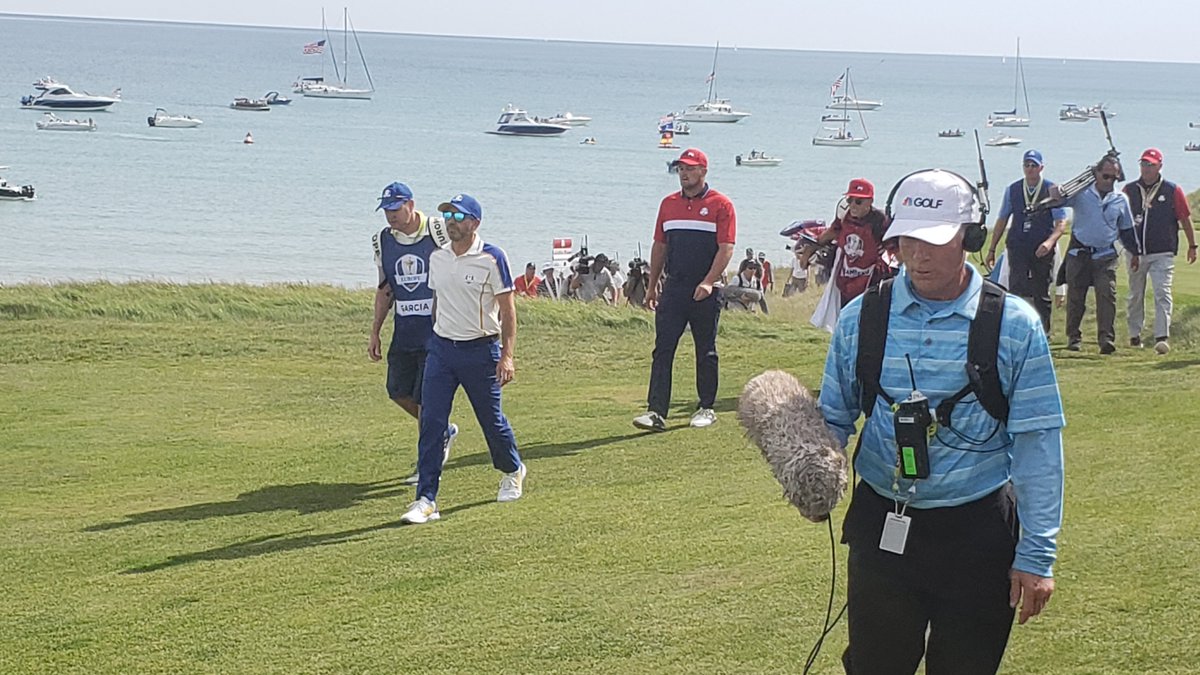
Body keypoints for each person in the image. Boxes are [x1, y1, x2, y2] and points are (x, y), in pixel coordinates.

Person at [819, 169, 1064, 675]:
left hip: (978, 535)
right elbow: (833, 418)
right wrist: (815, 478)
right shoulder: (861, 318)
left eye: (933, 240)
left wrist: (1037, 555)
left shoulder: (1016, 325)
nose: (918, 254)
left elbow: (1038, 445)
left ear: (969, 238)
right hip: (882, 529)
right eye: (907, 239)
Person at [400, 193, 525, 525]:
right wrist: (435, 338)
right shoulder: (437, 257)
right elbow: (439, 300)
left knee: (491, 422)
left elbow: (509, 313)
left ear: (474, 223)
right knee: (431, 423)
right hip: (441, 350)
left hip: (481, 351)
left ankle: (512, 469)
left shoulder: (492, 258)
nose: (451, 223)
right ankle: (426, 499)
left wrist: (507, 356)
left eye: (458, 217)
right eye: (448, 217)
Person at [633, 148, 736, 432]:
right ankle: (656, 411)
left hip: (706, 288)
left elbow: (726, 248)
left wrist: (708, 280)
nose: (684, 173)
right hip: (674, 287)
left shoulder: (721, 205)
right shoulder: (668, 204)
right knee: (663, 349)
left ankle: (706, 406)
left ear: (703, 171)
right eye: (681, 169)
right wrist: (652, 286)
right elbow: (660, 246)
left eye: (690, 169)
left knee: (705, 350)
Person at [367, 182, 457, 487]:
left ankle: (427, 462)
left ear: (410, 204)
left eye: (395, 209)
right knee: (397, 391)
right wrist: (375, 331)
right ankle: (441, 431)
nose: (390, 216)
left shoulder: (436, 230)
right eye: (386, 211)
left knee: (427, 399)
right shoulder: (382, 240)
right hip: (405, 331)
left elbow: (457, 267)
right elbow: (385, 288)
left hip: (438, 332)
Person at [1052, 155, 1134, 353]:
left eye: (1114, 178)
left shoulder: (1120, 199)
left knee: (1107, 296)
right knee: (1075, 298)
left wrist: (1136, 253)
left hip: (1106, 255)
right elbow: (1058, 201)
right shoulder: (1082, 193)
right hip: (1079, 252)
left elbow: (1127, 230)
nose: (1109, 181)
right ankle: (1073, 337)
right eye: (1105, 176)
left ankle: (1106, 339)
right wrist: (1056, 191)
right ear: (1096, 174)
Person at [1120, 148, 1197, 354]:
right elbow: (1121, 221)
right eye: (1144, 164)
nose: (1146, 168)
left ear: (1159, 166)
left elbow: (1185, 219)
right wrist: (1128, 248)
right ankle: (1135, 336)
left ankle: (1162, 337)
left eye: (1151, 165)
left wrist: (1192, 245)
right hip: (1135, 252)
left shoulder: (1172, 190)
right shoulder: (1129, 190)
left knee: (1162, 292)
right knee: (1136, 294)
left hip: (1162, 252)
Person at [985, 150, 1068, 334]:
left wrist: (1050, 242)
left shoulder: (1051, 189)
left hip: (1041, 247)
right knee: (1016, 288)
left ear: (1041, 167)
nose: (1030, 169)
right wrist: (991, 249)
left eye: (1034, 165)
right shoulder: (1013, 189)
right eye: (1027, 165)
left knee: (1041, 291)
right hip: (1018, 245)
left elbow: (1061, 223)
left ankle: (1043, 332)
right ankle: (1015, 329)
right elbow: (1002, 219)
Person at [809, 178, 893, 308]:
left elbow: (894, 248)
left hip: (870, 283)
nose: (853, 205)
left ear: (870, 202)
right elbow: (830, 233)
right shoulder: (844, 216)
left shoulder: (880, 220)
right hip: (845, 284)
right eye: (850, 200)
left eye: (858, 201)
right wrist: (810, 249)